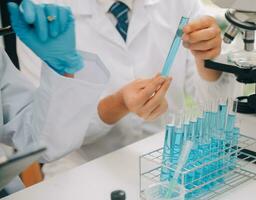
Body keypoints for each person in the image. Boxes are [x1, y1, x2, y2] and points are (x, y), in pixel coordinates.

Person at [17, 0, 238, 176]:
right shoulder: (43, 16)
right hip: (81, 171)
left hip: (164, 160)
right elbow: (44, 134)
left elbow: (216, 105)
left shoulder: (179, 4)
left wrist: (207, 60)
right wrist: (118, 104)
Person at [0, 0, 170, 194]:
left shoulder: (47, 20)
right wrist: (118, 104)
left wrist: (62, 69)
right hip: (80, 173)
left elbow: (39, 139)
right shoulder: (45, 7)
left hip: (155, 161)